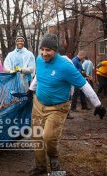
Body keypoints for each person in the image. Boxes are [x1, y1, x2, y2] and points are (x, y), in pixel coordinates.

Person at [28, 33, 106, 176]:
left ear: (55, 50)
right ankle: (41, 167)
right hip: (38, 104)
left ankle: (53, 156)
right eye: (42, 49)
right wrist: (30, 90)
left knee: (49, 137)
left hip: (57, 108)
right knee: (37, 136)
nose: (44, 53)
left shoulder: (65, 67)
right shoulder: (39, 60)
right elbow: (39, 75)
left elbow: (84, 85)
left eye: (48, 50)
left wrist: (98, 105)